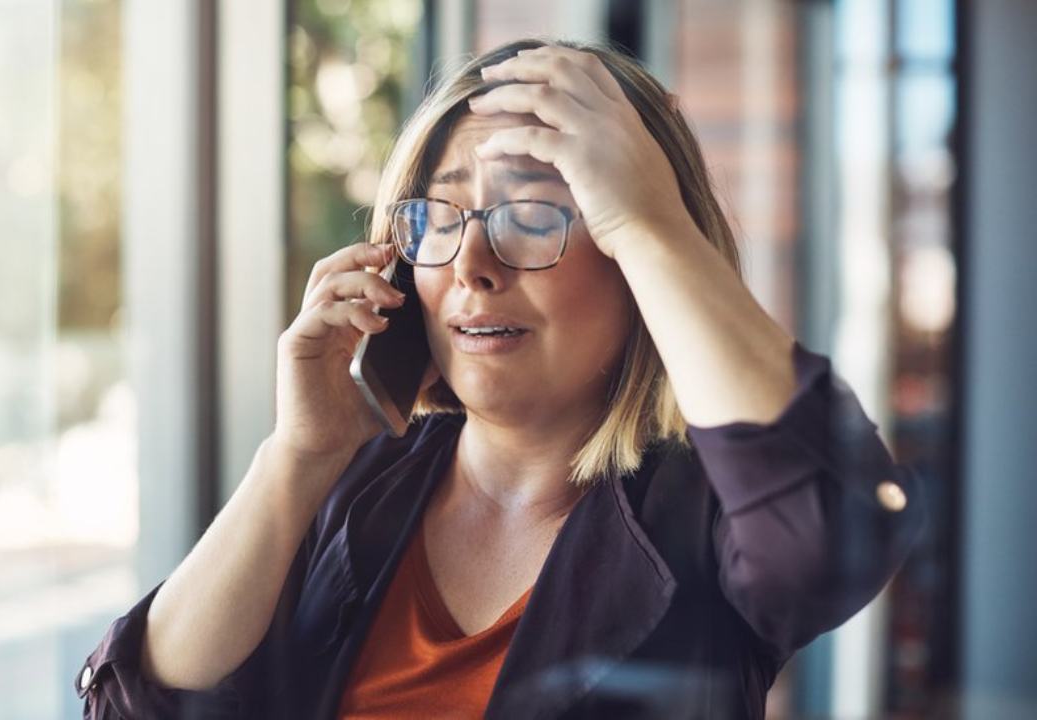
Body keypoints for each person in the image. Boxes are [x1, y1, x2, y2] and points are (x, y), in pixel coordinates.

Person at [74, 38, 925, 719]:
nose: (472, 264)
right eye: (439, 218)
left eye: (532, 215)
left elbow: (833, 534)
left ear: (635, 256)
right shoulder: (351, 484)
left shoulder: (702, 510)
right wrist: (295, 457)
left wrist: (650, 216)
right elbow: (141, 703)